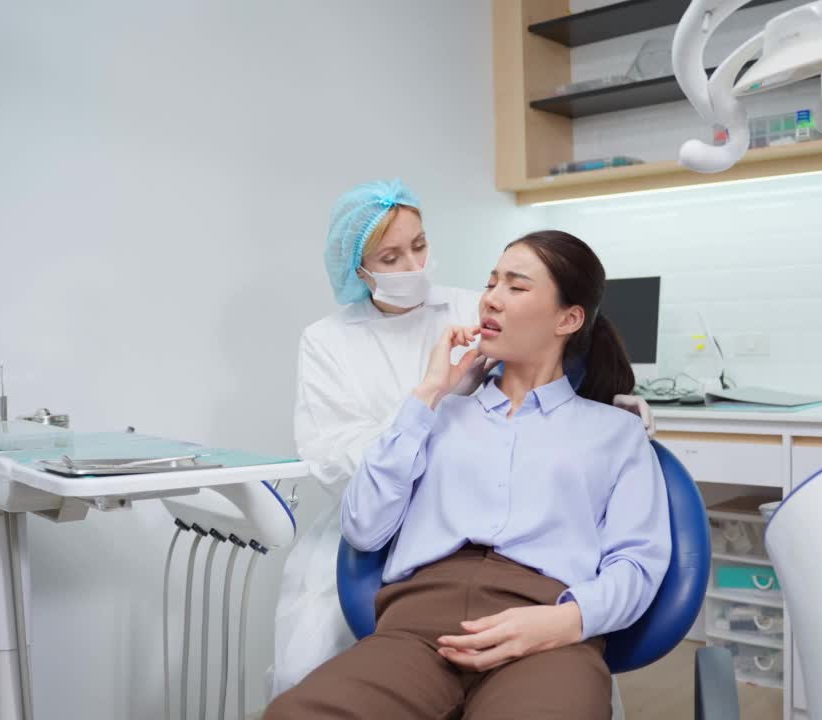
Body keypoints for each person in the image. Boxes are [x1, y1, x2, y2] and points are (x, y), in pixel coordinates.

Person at [266, 230, 671, 719]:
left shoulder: (616, 433)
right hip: (416, 631)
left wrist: (565, 622)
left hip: (546, 633)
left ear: (569, 318)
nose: (491, 300)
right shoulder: (436, 417)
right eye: (490, 283)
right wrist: (430, 393)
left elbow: (637, 562)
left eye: (516, 287)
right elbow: (363, 527)